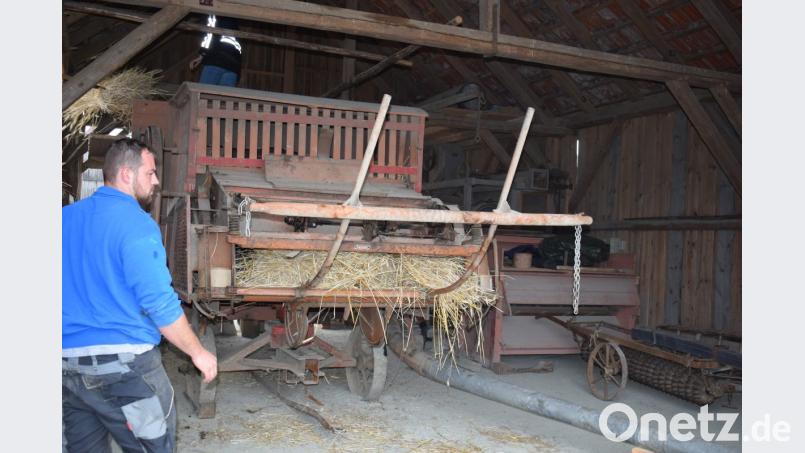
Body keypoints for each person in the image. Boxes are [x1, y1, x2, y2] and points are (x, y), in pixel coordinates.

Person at [62, 138, 217, 452]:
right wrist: (197, 352)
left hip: (68, 369)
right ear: (125, 174)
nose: (157, 181)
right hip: (125, 370)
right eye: (150, 173)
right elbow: (158, 301)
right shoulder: (137, 225)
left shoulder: (63, 219)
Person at [189, 14, 243, 86]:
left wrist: (202, 54)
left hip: (216, 59)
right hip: (234, 65)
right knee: (222, 96)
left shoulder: (215, 13)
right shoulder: (233, 21)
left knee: (204, 93)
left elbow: (210, 33)